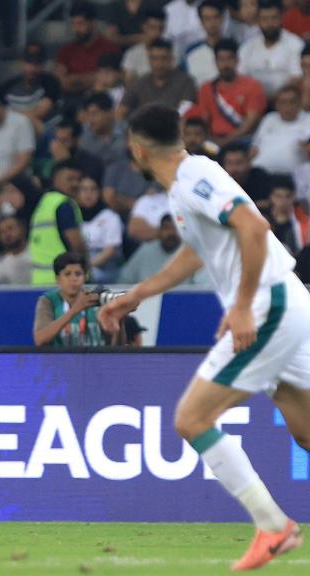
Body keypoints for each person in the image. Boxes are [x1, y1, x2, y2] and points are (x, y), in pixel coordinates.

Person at [100, 102, 308, 570]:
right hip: (287, 303)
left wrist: (240, 305)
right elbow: (197, 255)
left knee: (192, 419)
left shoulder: (193, 176)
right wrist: (136, 295)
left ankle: (274, 526)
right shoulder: (188, 183)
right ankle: (275, 526)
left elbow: (255, 227)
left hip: (270, 304)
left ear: (136, 150)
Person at [187, 38, 266, 149]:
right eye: (221, 59)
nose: (225, 64)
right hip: (214, 141)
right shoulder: (206, 89)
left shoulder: (253, 86)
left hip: (242, 142)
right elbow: (205, 121)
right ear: (215, 62)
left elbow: (250, 123)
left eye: (229, 59)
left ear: (237, 60)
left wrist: (225, 142)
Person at [29, 160, 86, 284]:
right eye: (70, 179)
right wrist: (86, 271)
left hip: (39, 280)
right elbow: (76, 244)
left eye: (78, 179)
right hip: (63, 281)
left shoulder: (43, 203)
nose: (75, 184)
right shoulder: (63, 204)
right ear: (56, 179)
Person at [33, 252, 106, 347]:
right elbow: (39, 340)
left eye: (78, 274)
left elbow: (115, 344)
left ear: (85, 277)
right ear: (57, 279)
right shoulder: (48, 301)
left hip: (96, 360)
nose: (73, 279)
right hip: (60, 361)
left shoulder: (96, 299)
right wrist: (75, 310)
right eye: (67, 274)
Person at [118, 38, 197, 122]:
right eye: (154, 58)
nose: (159, 63)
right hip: (144, 130)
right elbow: (120, 112)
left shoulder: (186, 82)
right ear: (149, 60)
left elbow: (185, 111)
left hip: (173, 128)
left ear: (171, 59)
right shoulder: (140, 83)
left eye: (164, 58)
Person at [238, 0, 303, 98]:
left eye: (274, 18)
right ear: (258, 20)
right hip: (254, 101)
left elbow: (297, 78)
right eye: (265, 19)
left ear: (281, 18)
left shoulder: (295, 44)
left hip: (286, 103)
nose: (270, 24)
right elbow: (241, 77)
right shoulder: (247, 47)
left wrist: (276, 98)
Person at [54, 2, 119, 97]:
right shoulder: (66, 50)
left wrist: (74, 80)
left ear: (93, 23)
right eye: (73, 24)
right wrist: (94, 77)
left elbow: (112, 80)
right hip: (71, 101)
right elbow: (62, 83)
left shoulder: (110, 48)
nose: (76, 29)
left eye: (80, 23)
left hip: (101, 99)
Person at [3, 42, 61, 136]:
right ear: (22, 63)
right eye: (29, 63)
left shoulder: (51, 82)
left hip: (47, 133)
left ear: (43, 64)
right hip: (16, 133)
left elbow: (40, 112)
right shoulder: (9, 85)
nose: (32, 69)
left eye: (37, 64)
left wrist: (11, 115)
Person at [251, 85, 310, 176]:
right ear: (276, 105)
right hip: (260, 173)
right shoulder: (269, 118)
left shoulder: (308, 120)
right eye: (283, 102)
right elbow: (255, 148)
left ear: (299, 103)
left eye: (292, 102)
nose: (287, 106)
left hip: (292, 176)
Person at [78, 176, 122, 283]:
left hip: (105, 269)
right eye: (84, 189)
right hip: (78, 266)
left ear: (99, 192)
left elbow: (110, 251)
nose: (88, 194)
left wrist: (86, 267)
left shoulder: (110, 216)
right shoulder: (72, 216)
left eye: (93, 189)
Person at [183, 0, 227, 87]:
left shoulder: (236, 49)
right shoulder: (191, 53)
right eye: (207, 18)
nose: (212, 23)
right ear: (201, 21)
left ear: (222, 18)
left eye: (216, 17)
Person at [79, 92, 128, 169]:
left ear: (110, 113)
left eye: (95, 114)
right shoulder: (84, 133)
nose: (90, 119)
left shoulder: (127, 131)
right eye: (88, 115)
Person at [221, 142, 273, 211]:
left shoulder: (261, 178)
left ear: (249, 163)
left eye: (239, 162)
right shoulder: (218, 181)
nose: (234, 168)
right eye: (229, 163)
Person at [122, 8, 167, 85]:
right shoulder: (132, 54)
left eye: (161, 29)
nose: (157, 33)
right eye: (153, 28)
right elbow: (128, 83)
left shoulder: (171, 52)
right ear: (144, 27)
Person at [264, 176, 307, 255]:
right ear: (271, 197)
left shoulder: (304, 222)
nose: (283, 201)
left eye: (288, 196)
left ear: (294, 196)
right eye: (278, 196)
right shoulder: (263, 220)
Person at [0, 215, 31, 285]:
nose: (7, 234)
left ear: (22, 229)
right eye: (2, 232)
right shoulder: (1, 267)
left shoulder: (38, 254)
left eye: (10, 228)